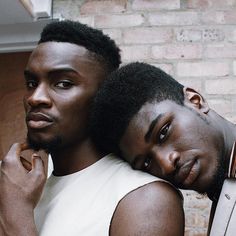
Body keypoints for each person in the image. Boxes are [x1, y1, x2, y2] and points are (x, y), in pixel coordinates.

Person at [0, 22, 184, 236]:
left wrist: (16, 218)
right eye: (32, 83)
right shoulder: (25, 191)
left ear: (103, 97)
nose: (35, 98)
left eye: (63, 83)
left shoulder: (145, 198)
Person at [90, 61, 236, 235]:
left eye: (163, 132)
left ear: (195, 101)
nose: (166, 165)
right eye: (147, 162)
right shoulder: (224, 197)